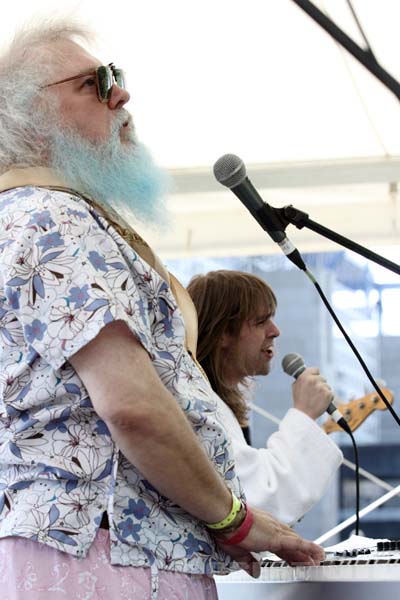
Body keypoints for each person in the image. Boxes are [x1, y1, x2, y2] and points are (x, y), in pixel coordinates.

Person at [0, 17, 324, 600]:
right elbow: (133, 408)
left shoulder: (26, 216)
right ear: (32, 116)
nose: (120, 94)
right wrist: (235, 520)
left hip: (95, 553)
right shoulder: (58, 218)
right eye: (95, 83)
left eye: (115, 77)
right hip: (110, 559)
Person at [187, 270, 343, 525]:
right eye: (261, 322)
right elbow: (260, 500)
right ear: (223, 333)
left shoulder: (213, 403)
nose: (275, 331)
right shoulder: (199, 408)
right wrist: (303, 414)